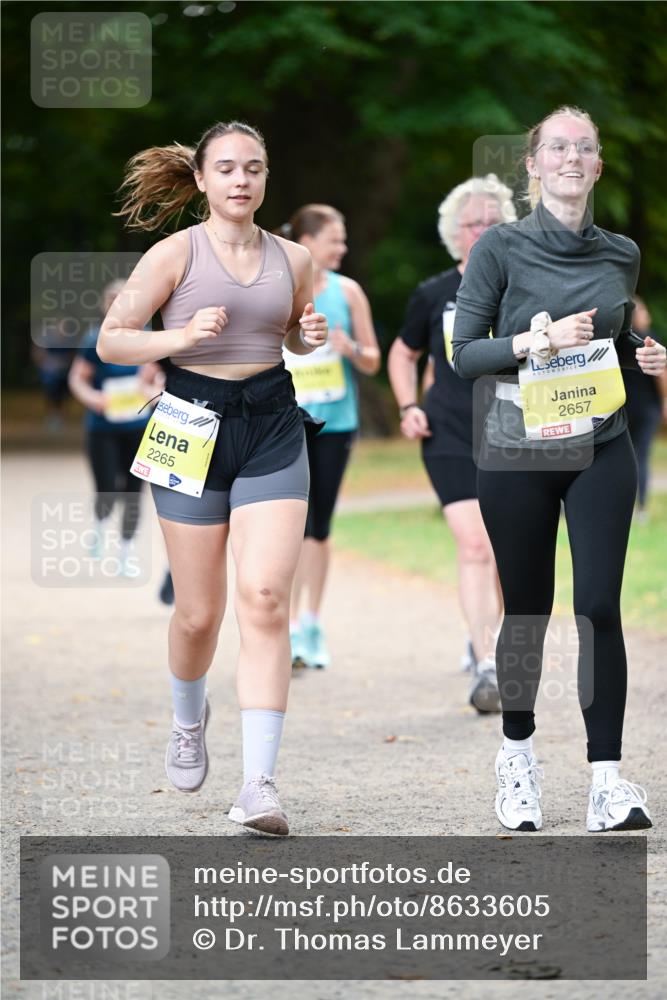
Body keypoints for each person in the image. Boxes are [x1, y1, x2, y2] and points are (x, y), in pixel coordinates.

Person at [97, 121, 328, 836]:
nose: (240, 180)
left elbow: (286, 329)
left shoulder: (294, 257)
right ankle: (187, 718)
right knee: (199, 613)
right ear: (200, 179)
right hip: (188, 423)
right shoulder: (174, 253)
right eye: (225, 168)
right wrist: (182, 338)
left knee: (264, 599)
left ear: (265, 179)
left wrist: (304, 338)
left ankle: (258, 785)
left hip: (271, 424)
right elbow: (113, 337)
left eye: (253, 168)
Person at [453, 106, 665, 832]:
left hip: (600, 444)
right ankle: (516, 756)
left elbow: (613, 340)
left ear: (597, 166)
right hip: (515, 448)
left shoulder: (621, 254)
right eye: (557, 148)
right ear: (534, 166)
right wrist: (533, 340)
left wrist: (649, 355)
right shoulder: (499, 248)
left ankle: (605, 779)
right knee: (527, 611)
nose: (571, 157)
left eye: (584, 147)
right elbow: (464, 352)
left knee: (599, 606)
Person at [388, 176, 516, 712]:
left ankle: (500, 644)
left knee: (512, 553)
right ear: (455, 232)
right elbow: (403, 354)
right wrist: (408, 407)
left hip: (514, 427)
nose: (482, 229)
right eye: (472, 222)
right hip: (449, 430)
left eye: (491, 221)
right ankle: (487, 665)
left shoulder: (525, 287)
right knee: (475, 545)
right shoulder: (434, 292)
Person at [283, 205, 380, 669]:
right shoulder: (282, 285)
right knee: (288, 526)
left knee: (318, 529)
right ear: (306, 239)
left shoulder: (349, 292)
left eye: (343, 240)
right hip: (283, 425)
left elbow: (373, 360)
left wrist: (351, 349)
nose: (342, 248)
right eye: (334, 239)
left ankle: (311, 624)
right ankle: (280, 625)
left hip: (335, 425)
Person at [68, 279, 162, 574]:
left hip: (138, 427)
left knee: (134, 493)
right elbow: (77, 379)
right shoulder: (95, 339)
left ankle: (126, 552)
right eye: (113, 300)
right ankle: (99, 527)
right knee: (107, 489)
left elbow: (160, 384)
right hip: (103, 428)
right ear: (106, 305)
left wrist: (152, 391)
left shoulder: (149, 339)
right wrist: (92, 397)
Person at [622, 297, 665, 521]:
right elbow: (662, 376)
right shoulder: (646, 340)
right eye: (644, 310)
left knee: (633, 457)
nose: (646, 314)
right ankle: (640, 508)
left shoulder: (624, 342)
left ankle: (638, 507)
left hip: (632, 408)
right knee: (639, 457)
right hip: (640, 409)